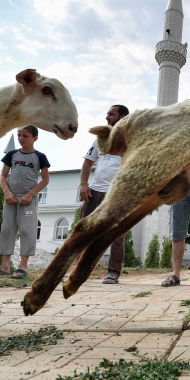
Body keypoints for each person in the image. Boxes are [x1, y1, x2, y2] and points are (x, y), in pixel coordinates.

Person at [0, 125, 50, 279]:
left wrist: (30, 194)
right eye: (19, 135)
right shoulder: (12, 155)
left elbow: (45, 180)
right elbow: (3, 176)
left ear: (35, 138)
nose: (21, 139)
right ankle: (4, 266)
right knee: (7, 229)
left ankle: (22, 266)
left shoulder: (40, 157)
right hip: (11, 199)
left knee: (27, 230)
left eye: (25, 136)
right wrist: (7, 192)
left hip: (28, 200)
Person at [79, 105, 129, 284]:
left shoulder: (130, 140)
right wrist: (84, 185)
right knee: (84, 230)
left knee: (116, 234)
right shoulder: (100, 139)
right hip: (95, 191)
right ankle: (79, 269)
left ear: (122, 117)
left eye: (111, 114)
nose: (107, 117)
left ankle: (113, 272)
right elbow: (87, 164)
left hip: (118, 193)